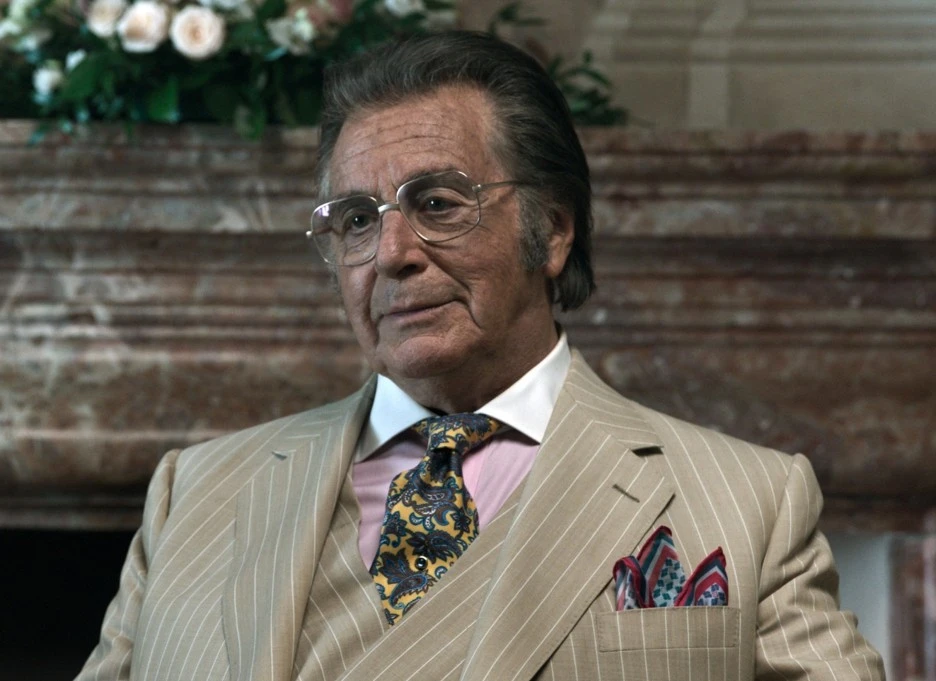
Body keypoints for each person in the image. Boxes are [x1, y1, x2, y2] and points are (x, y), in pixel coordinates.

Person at [77, 30, 884, 681]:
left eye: (437, 203)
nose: (391, 253)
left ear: (553, 230)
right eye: (355, 219)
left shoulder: (749, 502)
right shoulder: (195, 493)